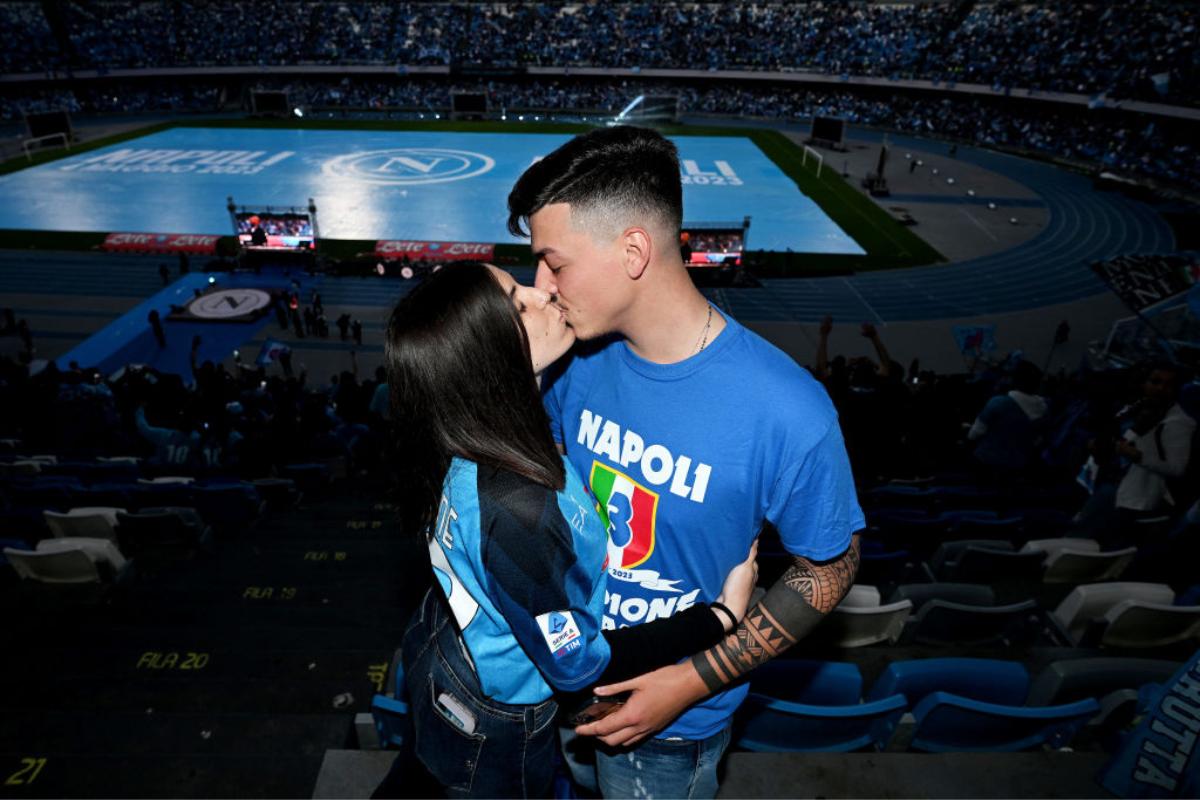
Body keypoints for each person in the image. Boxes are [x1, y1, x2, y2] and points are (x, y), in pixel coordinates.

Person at [507, 125, 864, 798]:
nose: (542, 284)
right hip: (561, 677)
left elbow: (832, 565)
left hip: (668, 727)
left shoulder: (789, 412)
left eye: (554, 261)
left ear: (633, 250)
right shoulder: (571, 360)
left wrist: (690, 681)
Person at [377, 262, 759, 799]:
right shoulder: (517, 508)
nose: (543, 292)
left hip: (444, 650)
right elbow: (578, 663)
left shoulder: (473, 430)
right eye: (517, 302)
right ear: (486, 357)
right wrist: (718, 619)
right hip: (495, 718)